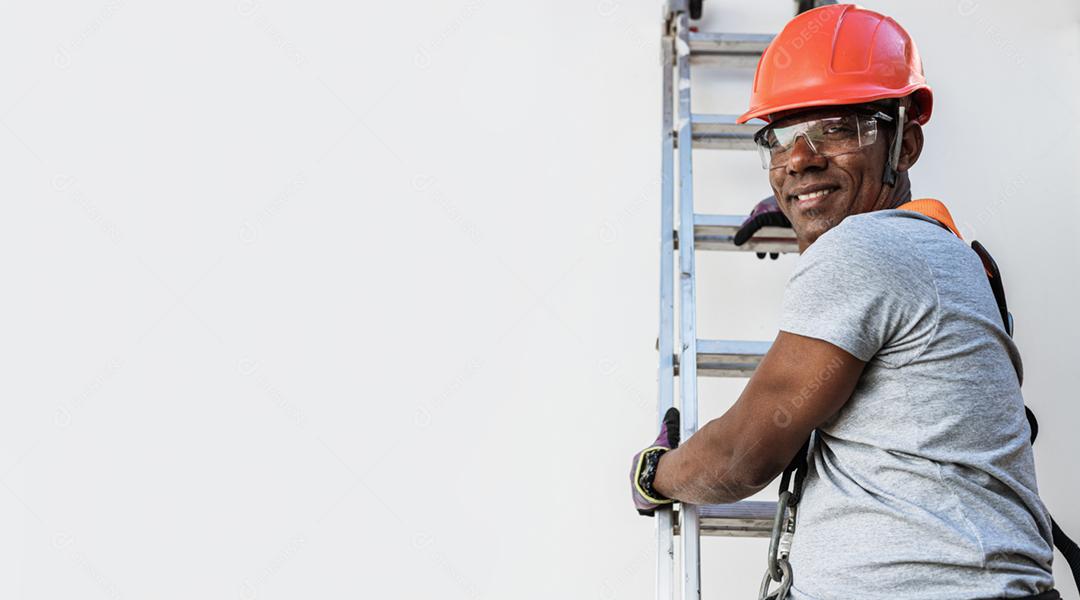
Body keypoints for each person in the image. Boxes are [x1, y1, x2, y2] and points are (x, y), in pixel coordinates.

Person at [629, 5, 1065, 599]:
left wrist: (655, 475)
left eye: (837, 128)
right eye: (781, 137)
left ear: (905, 144)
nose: (801, 158)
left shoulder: (865, 248)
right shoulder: (942, 252)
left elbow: (740, 457)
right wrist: (818, 207)